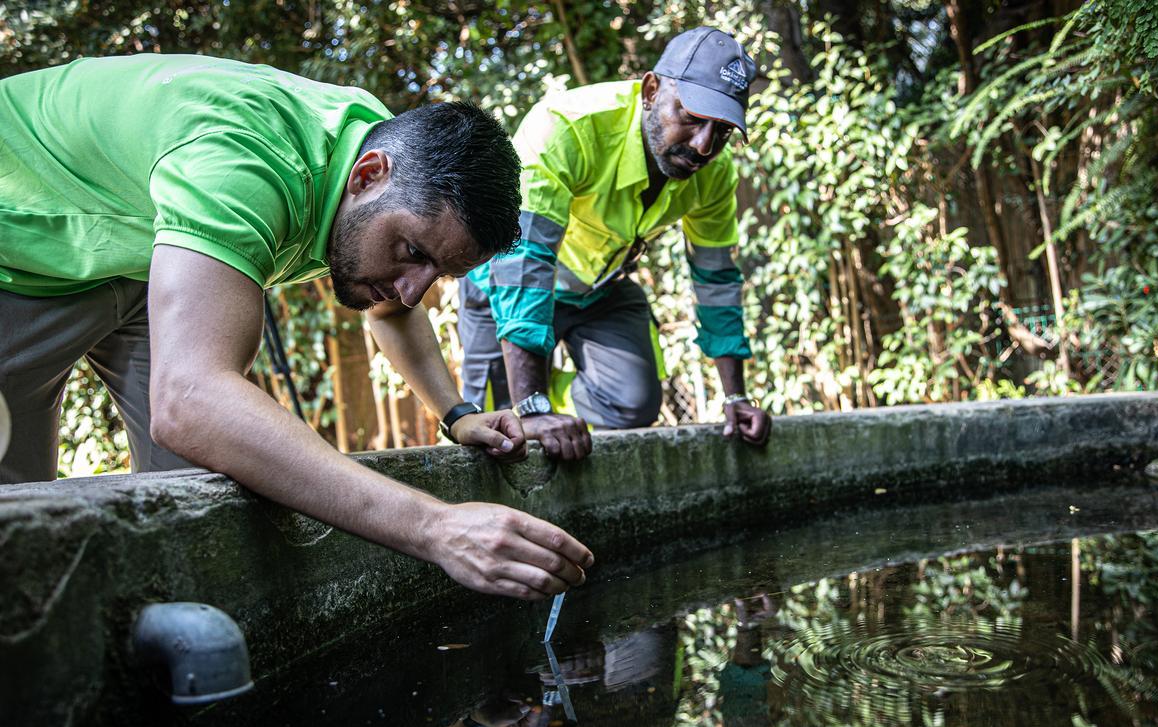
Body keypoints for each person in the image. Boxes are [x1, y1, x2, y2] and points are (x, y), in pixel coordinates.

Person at [0, 54, 592, 599]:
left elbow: (392, 310)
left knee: (205, 495)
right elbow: (190, 399)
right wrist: (436, 527)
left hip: (134, 247)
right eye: (412, 251)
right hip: (18, 248)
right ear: (367, 175)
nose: (414, 290)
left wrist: (457, 415)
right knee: (18, 524)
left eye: (439, 273)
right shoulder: (246, 161)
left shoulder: (384, 167)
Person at [458, 26, 773, 461]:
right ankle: (534, 395)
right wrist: (530, 408)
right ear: (651, 90)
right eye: (691, 117)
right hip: (506, 283)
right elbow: (524, 261)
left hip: (598, 286)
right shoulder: (567, 127)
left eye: (721, 131)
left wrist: (734, 397)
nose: (703, 146)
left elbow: (716, 279)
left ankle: (556, 397)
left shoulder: (713, 175)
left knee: (634, 403)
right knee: (496, 429)